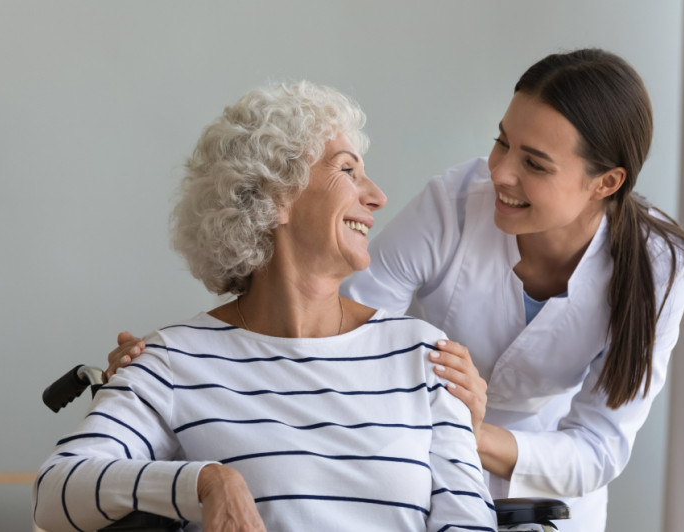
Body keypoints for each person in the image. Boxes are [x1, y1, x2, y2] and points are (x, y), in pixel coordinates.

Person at [106, 48, 684, 532]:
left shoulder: (660, 268)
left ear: (604, 182)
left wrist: (458, 427)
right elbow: (330, 325)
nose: (499, 171)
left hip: (543, 487)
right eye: (502, 140)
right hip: (414, 449)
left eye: (534, 163)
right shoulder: (454, 203)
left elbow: (598, 450)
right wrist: (163, 373)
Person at [33, 82, 496, 532]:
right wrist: (207, 482)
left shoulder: (424, 355)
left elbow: (469, 522)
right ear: (277, 197)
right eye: (347, 170)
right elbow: (56, 491)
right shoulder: (172, 362)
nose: (376, 196)